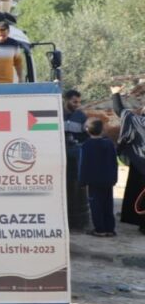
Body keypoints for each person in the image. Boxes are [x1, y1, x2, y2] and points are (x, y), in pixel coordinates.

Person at [112, 85, 145, 233]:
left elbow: (121, 111)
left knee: (138, 193)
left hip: (140, 165)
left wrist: (115, 93)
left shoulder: (137, 122)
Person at [78, 119, 118, 237]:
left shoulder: (86, 145)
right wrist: (114, 178)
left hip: (93, 181)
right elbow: (114, 163)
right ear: (102, 130)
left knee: (96, 206)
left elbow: (83, 165)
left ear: (87, 130)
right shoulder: (109, 144)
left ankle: (100, 229)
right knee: (108, 204)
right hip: (108, 180)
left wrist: (82, 181)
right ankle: (110, 229)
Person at [63, 88, 90, 230]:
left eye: (79, 102)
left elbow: (87, 136)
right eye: (74, 102)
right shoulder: (56, 113)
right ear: (66, 100)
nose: (77, 104)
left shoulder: (81, 116)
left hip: (75, 157)